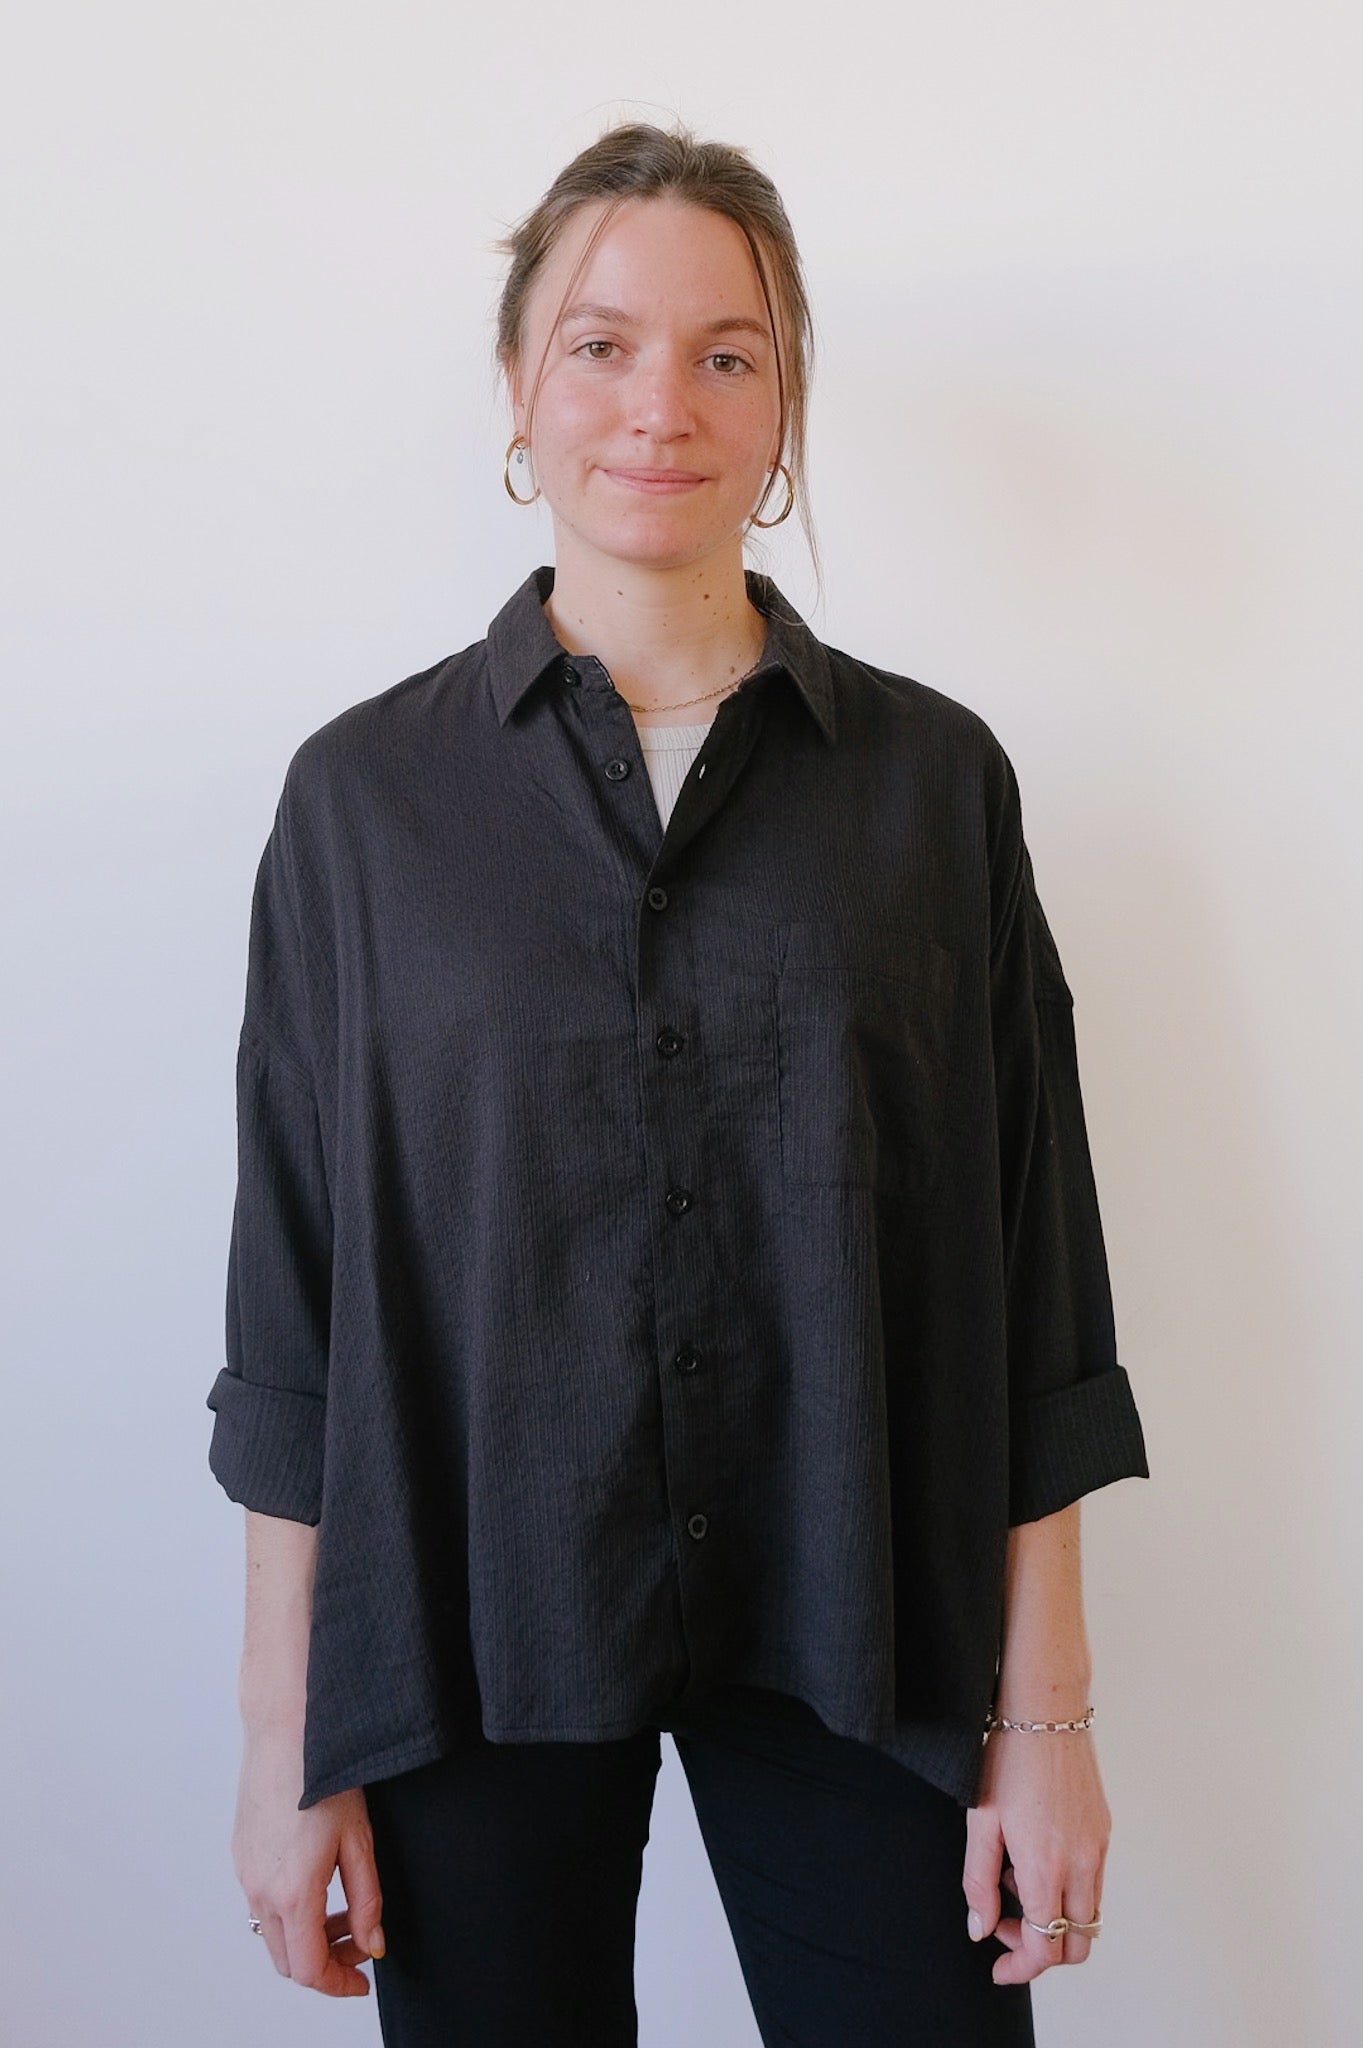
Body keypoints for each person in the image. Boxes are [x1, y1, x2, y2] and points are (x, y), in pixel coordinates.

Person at [208, 119, 1150, 2047]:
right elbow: (295, 1317)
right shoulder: (362, 807)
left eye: (729, 352)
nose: (663, 404)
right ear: (516, 385)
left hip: (865, 1627)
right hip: (475, 1636)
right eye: (601, 344)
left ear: (786, 402)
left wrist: (1046, 1722)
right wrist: (286, 1745)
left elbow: (1032, 1276)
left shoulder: (932, 788)